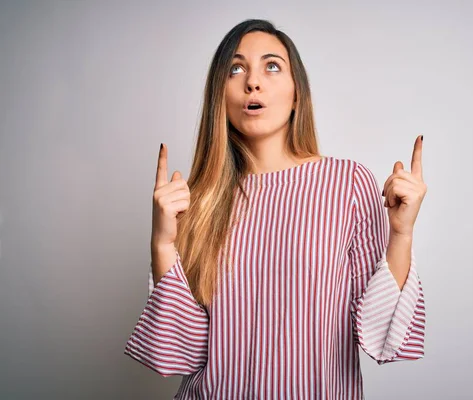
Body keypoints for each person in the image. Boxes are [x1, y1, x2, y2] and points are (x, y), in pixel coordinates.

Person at [124, 18, 427, 399]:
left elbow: (379, 336)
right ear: (221, 95)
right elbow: (180, 354)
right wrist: (163, 245)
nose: (253, 81)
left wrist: (401, 234)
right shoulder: (198, 200)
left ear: (297, 93)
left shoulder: (347, 183)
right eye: (236, 69)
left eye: (272, 66)